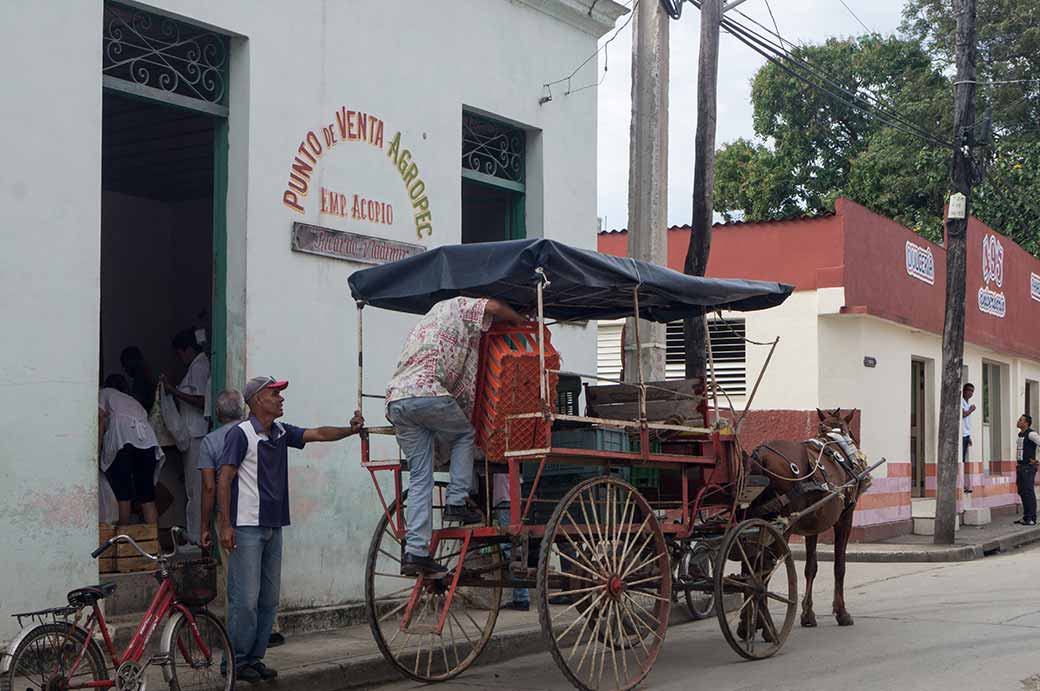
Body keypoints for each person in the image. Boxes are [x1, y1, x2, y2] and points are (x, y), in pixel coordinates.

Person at [218, 376, 363, 682]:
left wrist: (350, 430)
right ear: (257, 400)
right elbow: (224, 478)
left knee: (268, 599)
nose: (281, 399)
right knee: (245, 599)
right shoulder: (241, 434)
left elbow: (319, 434)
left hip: (274, 525)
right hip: (246, 525)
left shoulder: (281, 431)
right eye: (275, 394)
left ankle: (253, 659)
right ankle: (235, 661)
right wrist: (225, 525)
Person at [386, 296, 525, 577]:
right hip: (427, 394)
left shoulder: (427, 321)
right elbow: (495, 307)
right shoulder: (459, 304)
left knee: (420, 477)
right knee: (465, 435)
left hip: (397, 400)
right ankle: (456, 501)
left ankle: (416, 552)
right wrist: (519, 320)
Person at [164, 329, 210, 544]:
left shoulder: (200, 366)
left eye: (179, 353)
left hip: (197, 434)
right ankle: (196, 536)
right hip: (193, 434)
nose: (179, 359)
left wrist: (173, 391)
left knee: (196, 490)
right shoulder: (195, 367)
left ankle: (197, 538)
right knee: (194, 489)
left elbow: (202, 400)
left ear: (188, 349)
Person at [98, 374, 164, 525]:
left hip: (123, 439)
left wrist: (97, 450)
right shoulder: (132, 400)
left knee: (123, 493)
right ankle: (155, 543)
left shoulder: (103, 393)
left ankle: (122, 542)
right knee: (147, 496)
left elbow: (100, 419)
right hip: (147, 441)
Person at [493, 473, 530, 611]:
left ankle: (521, 596)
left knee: (510, 547)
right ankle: (520, 596)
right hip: (510, 495)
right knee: (512, 547)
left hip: (506, 496)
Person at [1015, 414, 1040, 526]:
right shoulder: (1021, 434)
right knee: (1022, 492)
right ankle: (1026, 517)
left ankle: (1031, 518)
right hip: (1021, 467)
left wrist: (1037, 460)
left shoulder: (1031, 434)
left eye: (1020, 420)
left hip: (1028, 468)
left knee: (1028, 492)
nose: (1018, 421)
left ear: (1026, 423)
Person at [120, 346, 157, 412]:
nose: (124, 369)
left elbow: (138, 399)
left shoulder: (140, 375)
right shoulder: (146, 372)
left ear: (130, 362)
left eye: (124, 364)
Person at [962, 383, 976, 493]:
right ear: (964, 390)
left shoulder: (967, 403)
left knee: (964, 460)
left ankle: (965, 484)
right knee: (961, 459)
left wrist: (969, 435)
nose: (970, 393)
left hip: (966, 434)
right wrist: (971, 410)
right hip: (961, 434)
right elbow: (962, 415)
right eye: (968, 390)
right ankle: (961, 485)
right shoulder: (961, 401)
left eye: (972, 391)